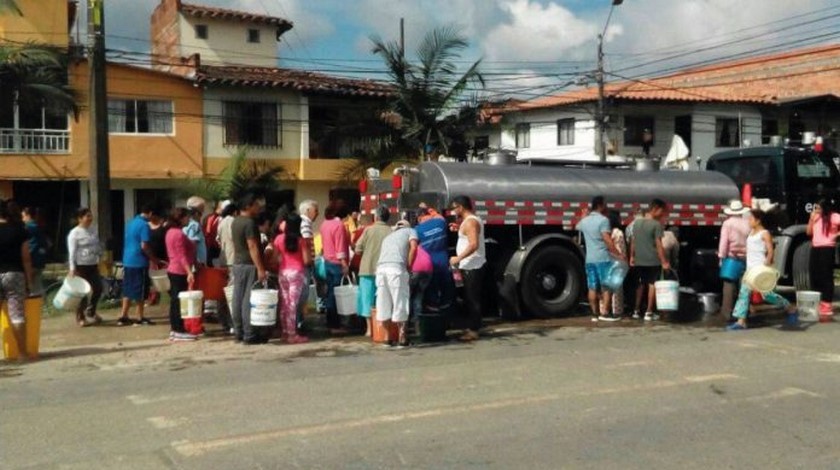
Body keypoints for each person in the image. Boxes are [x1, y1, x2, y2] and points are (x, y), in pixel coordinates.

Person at [728, 210, 799, 330]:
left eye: (751, 219)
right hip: (750, 271)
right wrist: (739, 251)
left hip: (760, 270)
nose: (749, 221)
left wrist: (767, 263)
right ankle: (741, 321)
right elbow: (751, 249)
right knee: (744, 294)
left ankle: (790, 308)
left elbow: (770, 250)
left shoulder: (764, 233)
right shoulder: (751, 233)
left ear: (758, 220)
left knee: (768, 295)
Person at [576, 196, 625, 322]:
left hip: (589, 259)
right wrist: (618, 254)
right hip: (603, 258)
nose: (606, 207)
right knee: (606, 287)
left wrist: (583, 216)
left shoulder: (585, 221)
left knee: (592, 287)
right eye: (605, 204)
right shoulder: (604, 220)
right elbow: (607, 240)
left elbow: (577, 226)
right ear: (600, 205)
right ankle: (606, 314)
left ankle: (594, 314)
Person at [230, 192, 268, 344]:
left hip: (238, 263)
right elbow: (252, 246)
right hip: (249, 263)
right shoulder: (249, 223)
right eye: (256, 204)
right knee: (248, 299)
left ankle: (238, 331)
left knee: (237, 297)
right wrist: (260, 268)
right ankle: (249, 333)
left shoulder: (235, 221)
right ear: (248, 206)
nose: (258, 207)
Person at [449, 195, 486, 342]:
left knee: (472, 298)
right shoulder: (469, 221)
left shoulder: (470, 222)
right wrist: (459, 229)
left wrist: (458, 258)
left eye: (454, 207)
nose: (453, 211)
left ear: (461, 207)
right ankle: (472, 326)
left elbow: (473, 244)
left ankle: (474, 330)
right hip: (470, 265)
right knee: (469, 297)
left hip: (473, 265)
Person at [376, 219, 418, 348]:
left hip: (381, 269)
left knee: (384, 302)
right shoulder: (411, 231)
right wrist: (409, 266)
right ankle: (402, 338)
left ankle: (387, 338)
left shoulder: (388, 237)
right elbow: (414, 247)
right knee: (400, 301)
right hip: (396, 269)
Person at [0, 200, 33, 358]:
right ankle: (22, 353)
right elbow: (26, 258)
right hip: (14, 274)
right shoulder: (19, 230)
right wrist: (29, 280)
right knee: (17, 315)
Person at [118, 204, 160, 326]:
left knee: (128, 288)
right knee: (140, 290)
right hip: (139, 261)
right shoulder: (144, 225)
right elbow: (144, 246)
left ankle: (123, 314)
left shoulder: (130, 223)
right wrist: (154, 259)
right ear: (150, 213)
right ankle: (139, 316)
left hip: (127, 260)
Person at [353, 205, 392, 336]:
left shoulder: (368, 230)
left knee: (367, 300)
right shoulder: (391, 231)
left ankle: (369, 329)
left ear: (376, 217)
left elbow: (358, 249)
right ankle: (381, 328)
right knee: (383, 300)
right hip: (386, 269)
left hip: (367, 269)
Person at [272, 213, 310, 344]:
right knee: (293, 304)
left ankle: (285, 332)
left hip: (283, 272)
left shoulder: (278, 239)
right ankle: (292, 334)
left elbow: (274, 258)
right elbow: (306, 260)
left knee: (284, 303)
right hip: (297, 272)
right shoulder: (301, 240)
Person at [630, 199, 670, 322]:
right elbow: (659, 245)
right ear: (655, 209)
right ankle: (649, 311)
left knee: (640, 284)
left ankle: (636, 311)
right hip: (652, 260)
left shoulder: (636, 223)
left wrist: (632, 256)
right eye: (662, 211)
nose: (663, 214)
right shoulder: (656, 225)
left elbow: (633, 242)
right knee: (652, 284)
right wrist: (664, 261)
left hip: (639, 260)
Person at [164, 208, 198, 342]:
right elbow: (181, 255)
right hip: (179, 270)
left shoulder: (170, 232)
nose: (188, 220)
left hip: (174, 269)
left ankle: (175, 329)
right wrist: (189, 271)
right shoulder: (178, 234)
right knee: (178, 301)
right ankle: (178, 329)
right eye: (186, 217)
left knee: (175, 300)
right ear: (180, 218)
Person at [67, 208, 103, 327]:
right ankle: (80, 317)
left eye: (91, 216)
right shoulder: (74, 233)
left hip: (93, 265)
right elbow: (72, 252)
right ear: (80, 218)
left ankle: (91, 311)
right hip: (80, 266)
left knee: (98, 288)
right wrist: (72, 269)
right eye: (87, 216)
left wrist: (101, 256)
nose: (90, 218)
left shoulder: (93, 230)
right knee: (82, 293)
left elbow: (97, 245)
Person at [416, 205, 454, 313]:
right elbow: (440, 217)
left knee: (431, 290)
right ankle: (446, 315)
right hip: (443, 262)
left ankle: (433, 314)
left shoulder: (417, 229)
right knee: (446, 289)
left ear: (419, 218)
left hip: (429, 264)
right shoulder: (440, 223)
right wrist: (430, 209)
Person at [320, 200, 350, 333]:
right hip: (337, 263)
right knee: (336, 294)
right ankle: (335, 324)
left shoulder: (324, 224)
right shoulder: (339, 226)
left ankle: (330, 322)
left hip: (327, 261)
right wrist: (344, 264)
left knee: (330, 292)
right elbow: (340, 247)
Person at [807, 198, 840, 320]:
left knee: (826, 276)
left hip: (827, 248)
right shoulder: (816, 217)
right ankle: (819, 301)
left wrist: (836, 234)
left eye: (819, 207)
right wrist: (811, 219)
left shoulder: (835, 217)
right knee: (815, 274)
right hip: (815, 247)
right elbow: (808, 232)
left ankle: (827, 304)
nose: (816, 210)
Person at [718, 200, 751, 318]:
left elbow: (724, 242)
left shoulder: (728, 223)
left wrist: (721, 257)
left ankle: (727, 312)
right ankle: (743, 313)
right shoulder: (748, 223)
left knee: (729, 285)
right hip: (746, 256)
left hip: (732, 257)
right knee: (744, 286)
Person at [297, 199, 319, 329]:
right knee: (302, 293)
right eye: (316, 210)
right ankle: (299, 321)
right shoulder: (305, 223)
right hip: (305, 263)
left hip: (305, 263)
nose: (317, 214)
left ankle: (300, 319)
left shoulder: (306, 223)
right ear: (308, 211)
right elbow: (305, 243)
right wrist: (310, 261)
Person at [21, 207, 47, 296]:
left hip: (31, 261)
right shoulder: (39, 227)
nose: (22, 219)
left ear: (28, 216)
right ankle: (40, 306)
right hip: (39, 261)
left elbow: (28, 247)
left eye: (23, 216)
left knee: (29, 287)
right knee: (38, 285)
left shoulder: (28, 228)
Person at [607, 210, 627, 318]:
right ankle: (617, 310)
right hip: (616, 263)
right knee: (617, 288)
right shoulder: (618, 233)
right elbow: (621, 250)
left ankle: (604, 310)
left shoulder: (605, 232)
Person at [146, 208, 168, 306]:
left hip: (163, 256)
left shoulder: (163, 227)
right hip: (152, 257)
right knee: (153, 279)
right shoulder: (146, 227)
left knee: (166, 278)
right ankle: (153, 299)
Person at [409, 244, 433, 323]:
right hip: (428, 270)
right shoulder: (422, 248)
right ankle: (417, 320)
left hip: (415, 270)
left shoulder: (409, 248)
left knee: (408, 295)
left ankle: (406, 320)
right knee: (419, 295)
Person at [183, 196, 207, 266]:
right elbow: (192, 244)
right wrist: (196, 263)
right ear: (196, 213)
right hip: (197, 263)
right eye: (201, 213)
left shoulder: (185, 224)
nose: (201, 216)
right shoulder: (194, 225)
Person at [203, 200, 226, 266]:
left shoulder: (209, 217)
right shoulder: (212, 218)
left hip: (210, 246)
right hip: (214, 247)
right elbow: (208, 231)